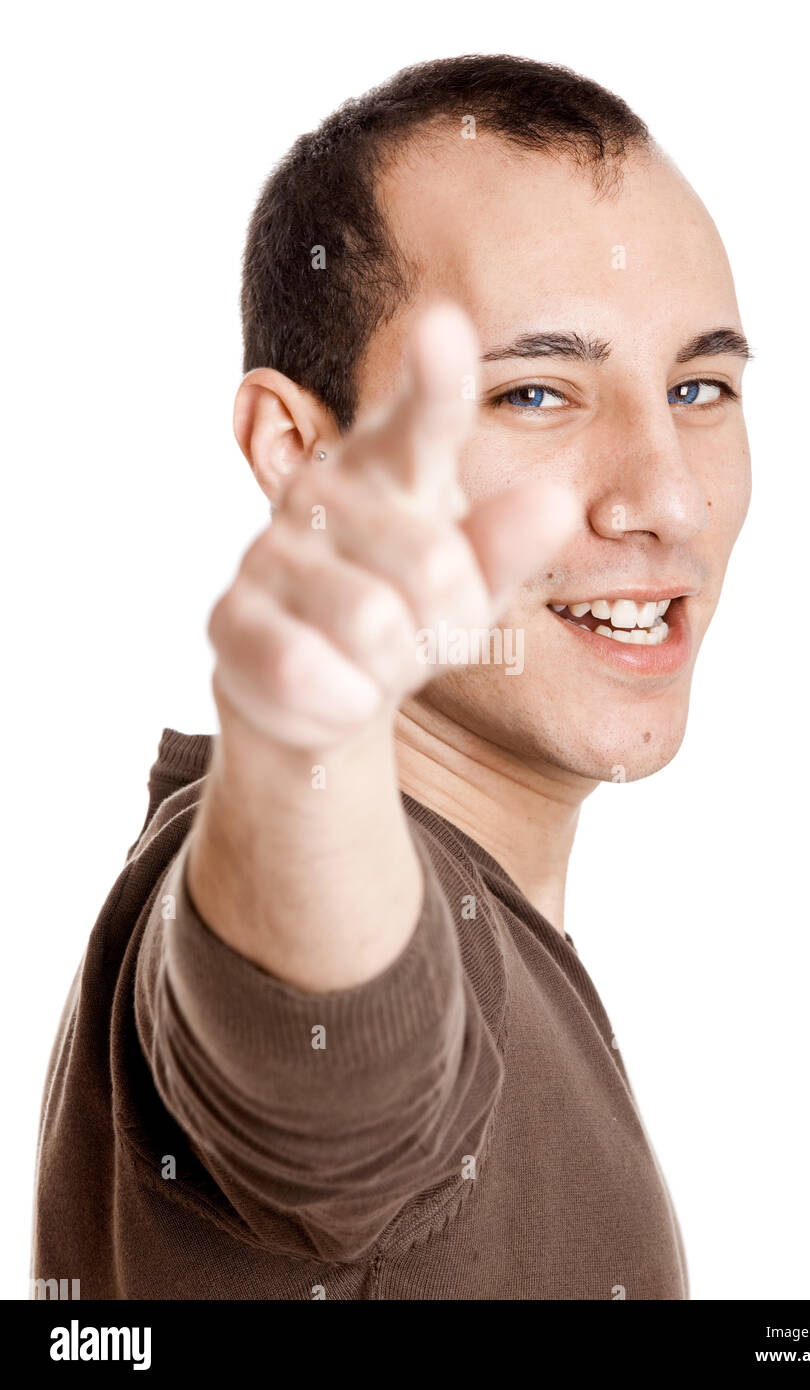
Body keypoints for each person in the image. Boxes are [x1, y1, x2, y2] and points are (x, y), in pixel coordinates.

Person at [33, 53, 751, 1300]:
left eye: (699, 387)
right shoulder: (310, 892)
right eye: (535, 391)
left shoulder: (509, 937)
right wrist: (302, 750)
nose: (669, 496)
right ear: (299, 450)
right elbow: (328, 1061)